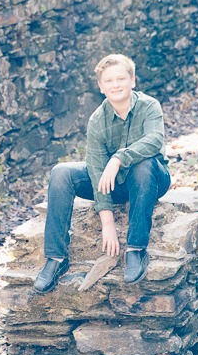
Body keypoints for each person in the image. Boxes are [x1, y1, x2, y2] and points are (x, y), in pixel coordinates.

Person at [34, 53, 171, 292]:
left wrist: (119, 158)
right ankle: (56, 258)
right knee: (61, 172)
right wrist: (106, 220)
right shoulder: (98, 119)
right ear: (100, 86)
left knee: (143, 164)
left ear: (133, 80)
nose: (116, 85)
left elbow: (154, 141)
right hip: (113, 185)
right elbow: (97, 169)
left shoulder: (149, 106)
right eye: (109, 81)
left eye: (121, 78)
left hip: (150, 179)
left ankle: (136, 250)